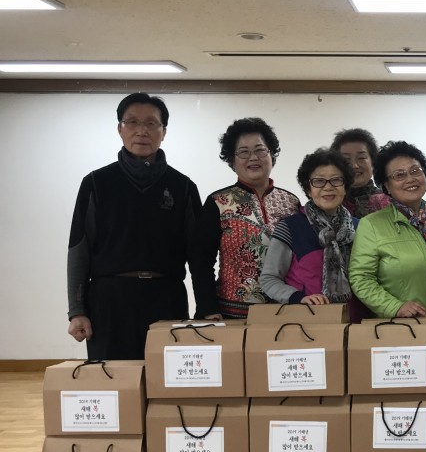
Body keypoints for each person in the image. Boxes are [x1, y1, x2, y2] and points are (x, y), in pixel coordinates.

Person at [67, 93, 201, 359]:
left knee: (168, 378)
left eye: (151, 123)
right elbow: (79, 249)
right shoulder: (96, 183)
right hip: (109, 301)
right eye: (132, 122)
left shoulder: (183, 186)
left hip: (167, 299)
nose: (141, 131)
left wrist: (205, 309)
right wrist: (77, 311)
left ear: (164, 132)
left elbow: (198, 256)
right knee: (113, 379)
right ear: (120, 129)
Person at [192, 117, 300, 319]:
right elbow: (201, 262)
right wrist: (208, 309)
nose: (253, 158)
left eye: (260, 150)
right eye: (243, 152)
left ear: (271, 155)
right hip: (232, 314)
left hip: (285, 312)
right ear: (232, 160)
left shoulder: (291, 202)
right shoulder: (218, 202)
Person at [348, 141, 426, 317]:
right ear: (386, 186)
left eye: (415, 171)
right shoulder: (371, 225)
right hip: (403, 327)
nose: (410, 179)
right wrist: (394, 307)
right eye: (399, 175)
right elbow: (361, 278)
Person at [260, 148, 365, 321]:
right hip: (307, 322)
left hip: (355, 322)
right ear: (308, 189)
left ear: (345, 186)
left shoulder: (360, 228)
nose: (328, 187)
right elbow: (269, 279)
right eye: (319, 181)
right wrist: (297, 298)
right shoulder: (290, 227)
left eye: (336, 180)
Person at [332, 127, 390, 218]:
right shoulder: (329, 201)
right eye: (346, 160)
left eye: (361, 158)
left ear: (373, 161)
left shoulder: (389, 202)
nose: (354, 166)